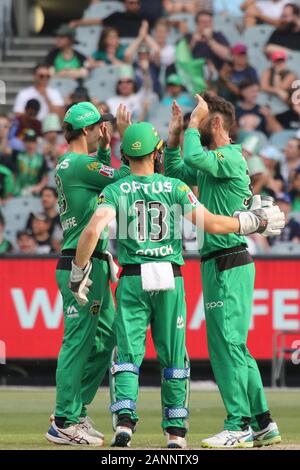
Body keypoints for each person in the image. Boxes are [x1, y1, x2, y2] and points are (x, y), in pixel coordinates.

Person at [70, 120, 283, 449]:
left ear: (124, 155)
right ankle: (176, 433)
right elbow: (211, 224)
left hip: (132, 278)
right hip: (170, 277)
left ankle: (124, 424)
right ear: (157, 153)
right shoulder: (174, 188)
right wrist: (252, 221)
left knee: (127, 355)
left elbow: (91, 231)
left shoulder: (113, 190)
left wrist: (79, 268)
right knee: (173, 358)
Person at [164, 94, 283, 448]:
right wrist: (175, 135)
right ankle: (263, 423)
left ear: (215, 124)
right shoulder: (215, 161)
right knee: (237, 347)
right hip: (225, 261)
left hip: (227, 259)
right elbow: (176, 172)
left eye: (202, 121)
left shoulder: (229, 155)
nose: (195, 128)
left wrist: (192, 122)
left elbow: (192, 157)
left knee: (227, 346)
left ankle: (239, 425)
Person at [45, 102, 131, 447]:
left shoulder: (75, 163)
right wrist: (124, 139)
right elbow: (126, 180)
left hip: (91, 259)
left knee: (107, 334)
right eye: (100, 127)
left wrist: (109, 147)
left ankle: (75, 410)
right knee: (77, 342)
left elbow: (105, 179)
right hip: (81, 262)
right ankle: (64, 420)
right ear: (85, 130)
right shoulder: (79, 163)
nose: (103, 131)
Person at [70, 0, 144, 38]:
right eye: (131, 3)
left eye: (137, 3)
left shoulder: (143, 19)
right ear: (125, 4)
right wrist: (77, 23)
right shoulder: (117, 16)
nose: (135, 5)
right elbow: (99, 21)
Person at [14, 130, 48, 197]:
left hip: (35, 193)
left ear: (36, 143)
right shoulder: (17, 156)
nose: (29, 144)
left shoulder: (41, 158)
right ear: (23, 142)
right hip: (17, 193)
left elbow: (45, 177)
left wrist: (38, 187)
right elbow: (13, 175)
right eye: (27, 141)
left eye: (32, 141)